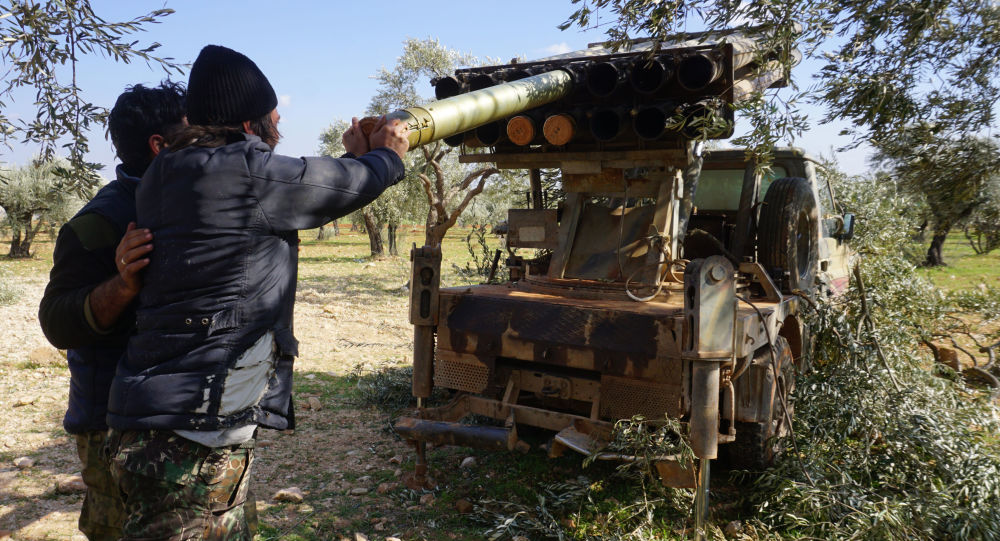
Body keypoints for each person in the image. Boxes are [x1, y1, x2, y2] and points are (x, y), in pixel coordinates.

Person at [104, 45, 409, 539]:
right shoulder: (245, 171)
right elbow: (332, 184)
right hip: (193, 434)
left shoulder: (169, 172)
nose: (280, 117)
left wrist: (355, 157)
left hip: (146, 419)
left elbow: (299, 190)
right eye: (271, 112)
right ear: (249, 124)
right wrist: (386, 155)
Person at [38, 82, 187, 541]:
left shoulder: (188, 205)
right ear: (160, 146)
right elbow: (57, 321)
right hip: (110, 428)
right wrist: (122, 285)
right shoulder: (97, 223)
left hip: (173, 417)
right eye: (190, 134)